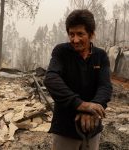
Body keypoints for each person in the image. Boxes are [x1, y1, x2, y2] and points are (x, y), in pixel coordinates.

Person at [44, 9, 112, 150]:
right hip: (65, 128)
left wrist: (93, 108)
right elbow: (51, 78)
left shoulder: (101, 56)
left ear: (91, 34)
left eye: (80, 34)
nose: (75, 40)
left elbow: (105, 86)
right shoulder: (61, 51)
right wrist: (80, 104)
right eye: (71, 34)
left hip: (92, 127)